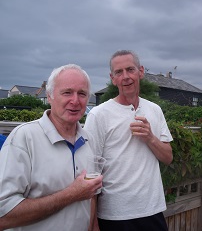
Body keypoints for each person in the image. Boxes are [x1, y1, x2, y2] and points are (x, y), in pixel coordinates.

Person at [0, 64, 103, 231]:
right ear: (49, 96)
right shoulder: (24, 138)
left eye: (82, 94)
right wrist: (72, 194)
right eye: (67, 92)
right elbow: (3, 216)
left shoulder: (88, 139)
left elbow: (90, 197)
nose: (75, 100)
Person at [84, 50, 173, 231]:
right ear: (113, 78)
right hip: (114, 215)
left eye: (130, 70)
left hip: (152, 211)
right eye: (119, 72)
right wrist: (93, 225)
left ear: (140, 72)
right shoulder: (98, 115)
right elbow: (90, 172)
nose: (125, 76)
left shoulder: (155, 110)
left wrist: (150, 138)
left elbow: (168, 157)